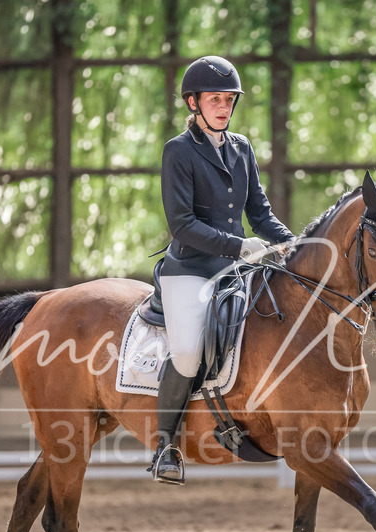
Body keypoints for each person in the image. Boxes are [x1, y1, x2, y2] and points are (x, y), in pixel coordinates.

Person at [150, 56, 295, 485]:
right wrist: (239, 245)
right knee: (189, 352)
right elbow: (182, 224)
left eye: (229, 99)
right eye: (215, 99)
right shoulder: (178, 151)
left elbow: (261, 214)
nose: (224, 106)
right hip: (190, 269)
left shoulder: (242, 147)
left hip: (237, 269)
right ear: (193, 103)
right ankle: (166, 447)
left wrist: (293, 244)